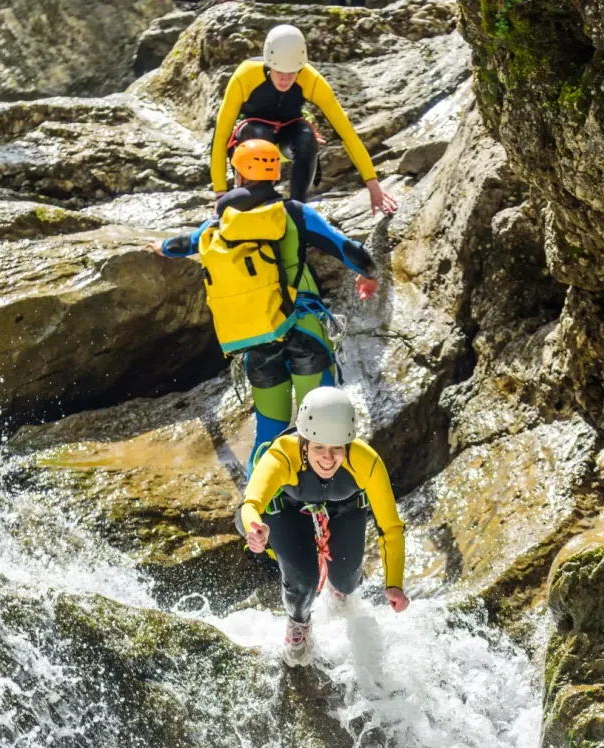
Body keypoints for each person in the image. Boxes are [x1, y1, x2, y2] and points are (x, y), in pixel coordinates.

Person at [147, 139, 380, 466]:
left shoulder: (219, 224)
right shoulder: (293, 213)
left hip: (258, 338)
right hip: (304, 329)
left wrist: (161, 246)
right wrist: (369, 274)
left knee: (269, 431)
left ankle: (260, 492)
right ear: (276, 173)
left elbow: (184, 244)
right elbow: (347, 249)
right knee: (321, 424)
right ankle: (322, 492)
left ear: (238, 174)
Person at [238, 386, 410, 667]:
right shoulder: (283, 455)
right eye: (318, 447)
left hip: (344, 507)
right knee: (303, 581)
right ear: (303, 442)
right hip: (287, 510)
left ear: (348, 445)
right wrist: (255, 529)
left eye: (337, 448)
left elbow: (390, 527)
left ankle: (339, 587)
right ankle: (299, 623)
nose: (328, 458)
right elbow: (250, 504)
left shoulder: (366, 462)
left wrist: (394, 584)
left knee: (346, 581)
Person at [210, 24, 397, 214]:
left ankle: (297, 209)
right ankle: (250, 200)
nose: (285, 79)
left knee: (306, 136)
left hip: (288, 135)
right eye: (279, 72)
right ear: (269, 65)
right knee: (257, 134)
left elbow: (347, 134)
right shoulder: (245, 76)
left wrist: (373, 184)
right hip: (251, 139)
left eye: (292, 73)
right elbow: (220, 136)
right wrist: (220, 194)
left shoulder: (311, 79)